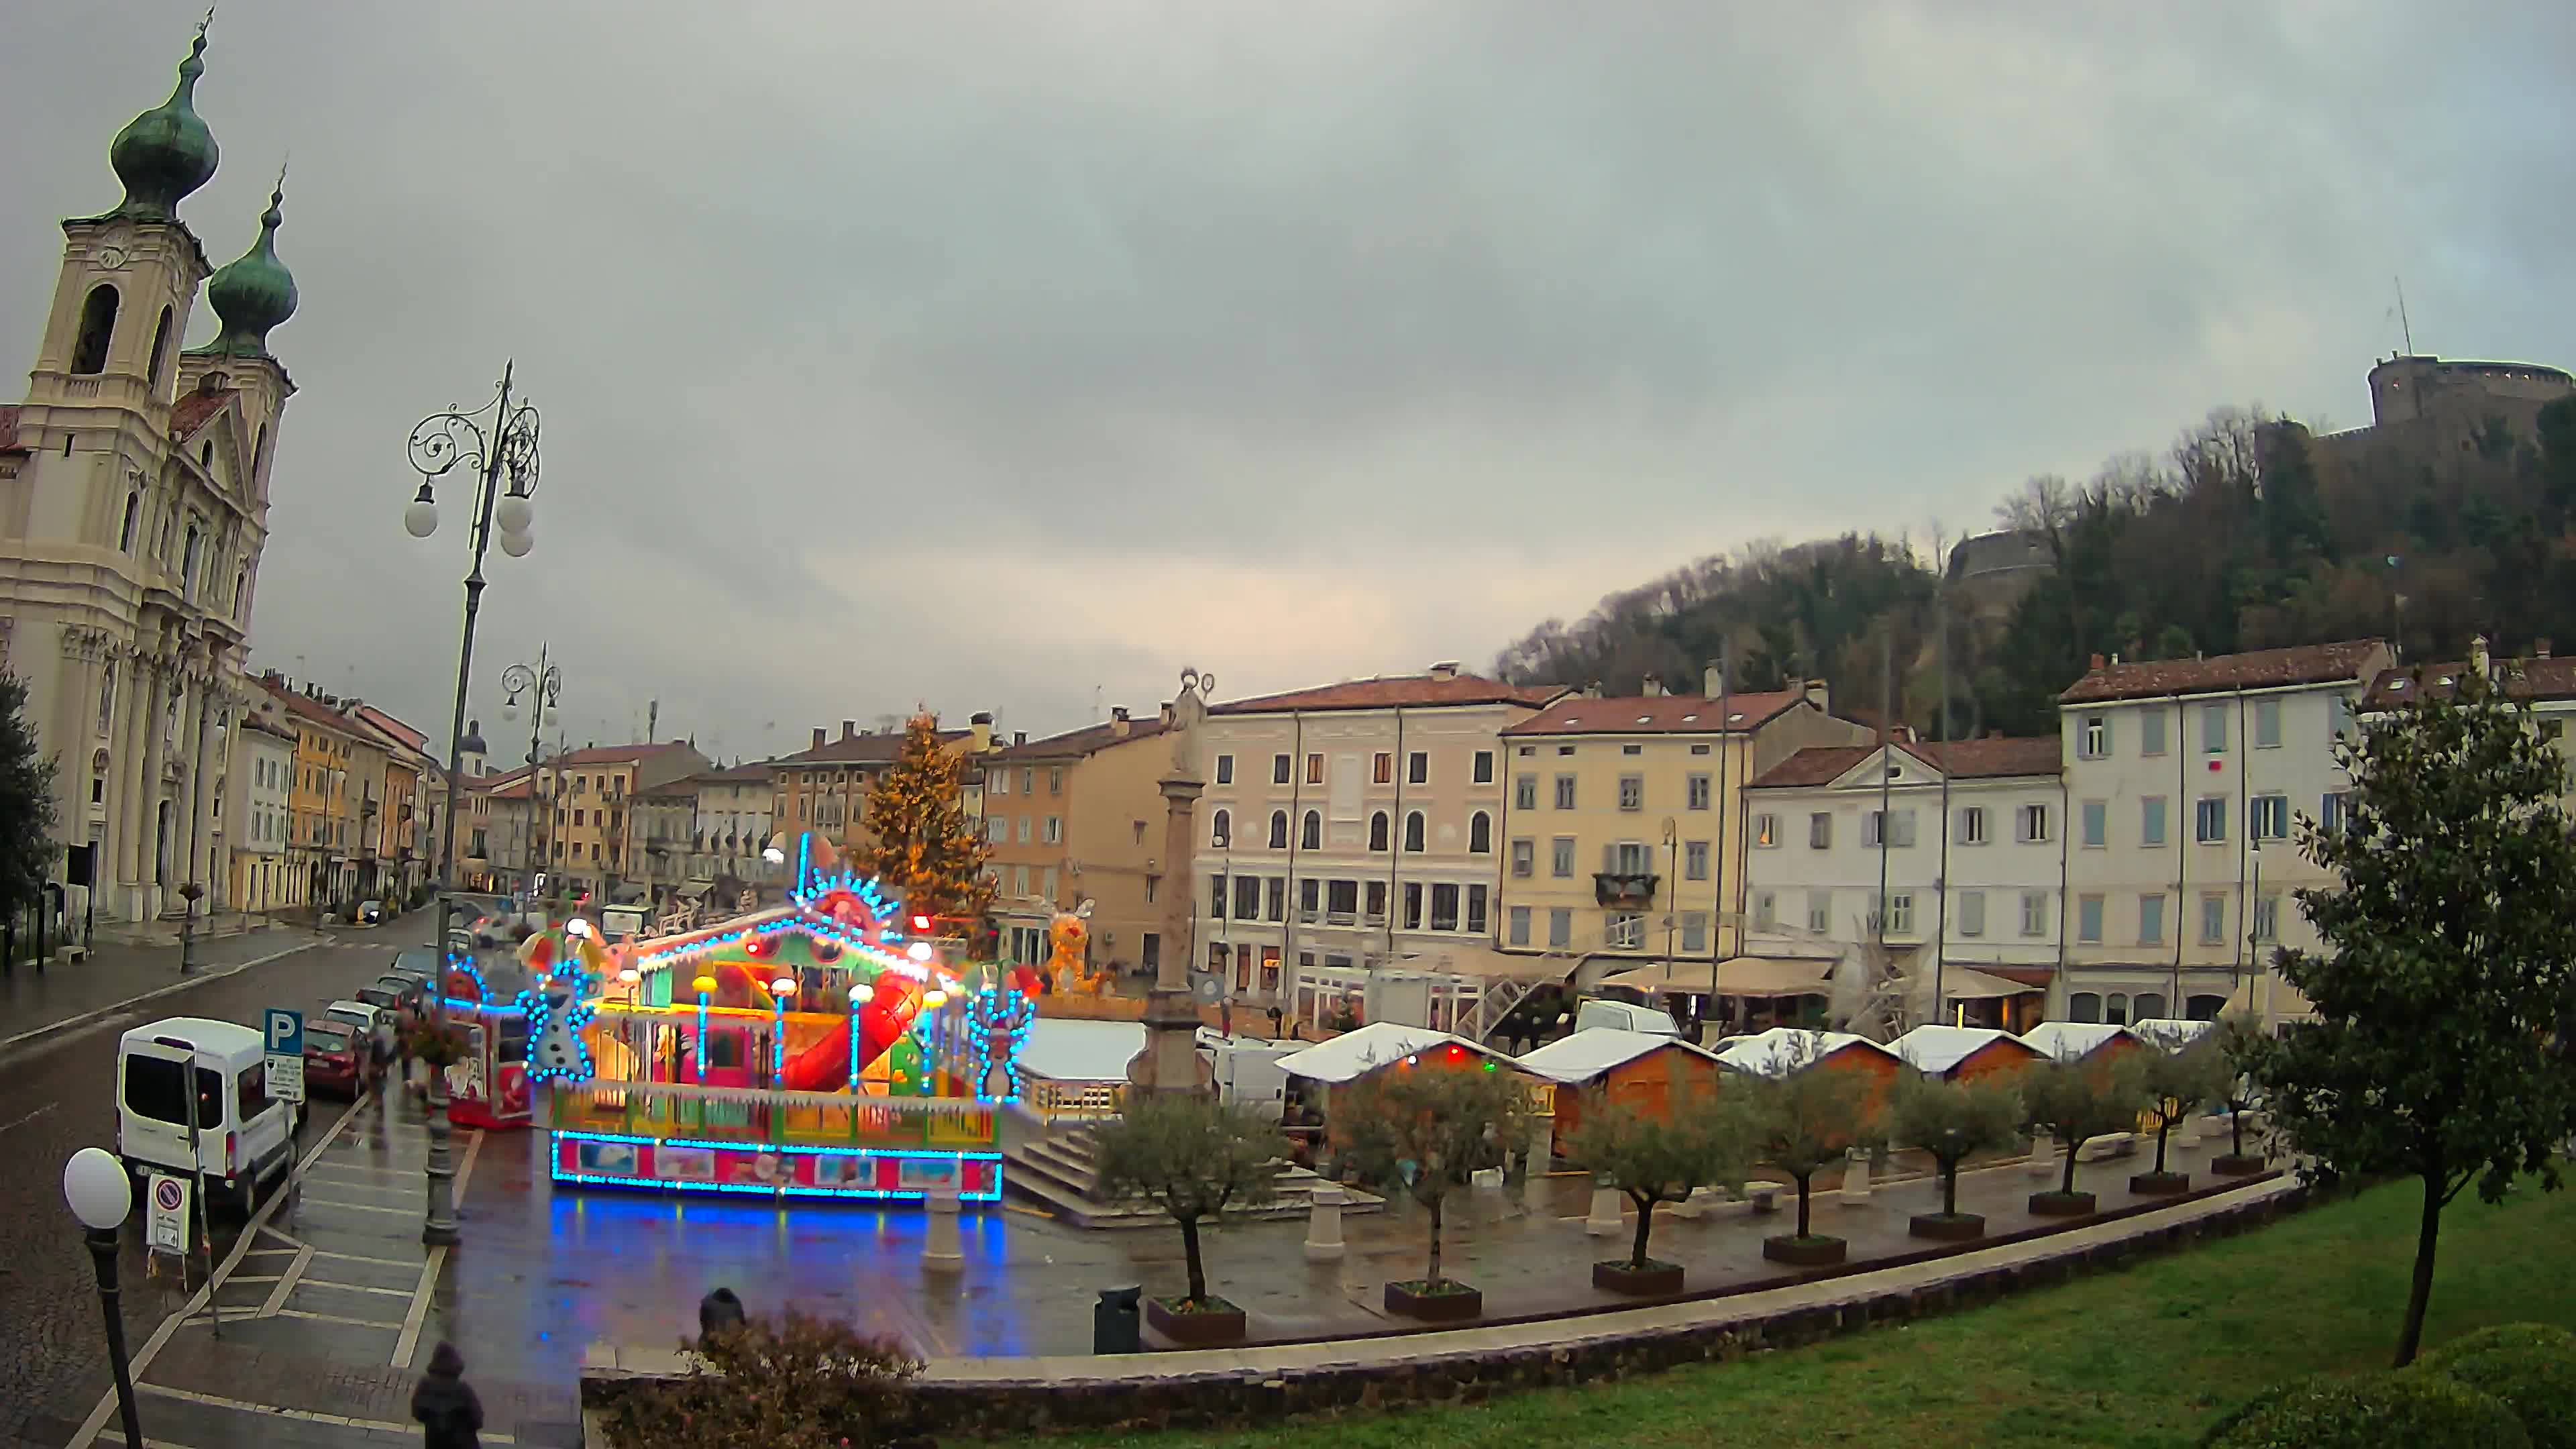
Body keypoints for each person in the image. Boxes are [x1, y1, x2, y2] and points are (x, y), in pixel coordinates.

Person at [411, 1340, 483, 1449]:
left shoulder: (425, 1385)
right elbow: (478, 1420)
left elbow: (417, 1413)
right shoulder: (463, 1390)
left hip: (434, 1441)